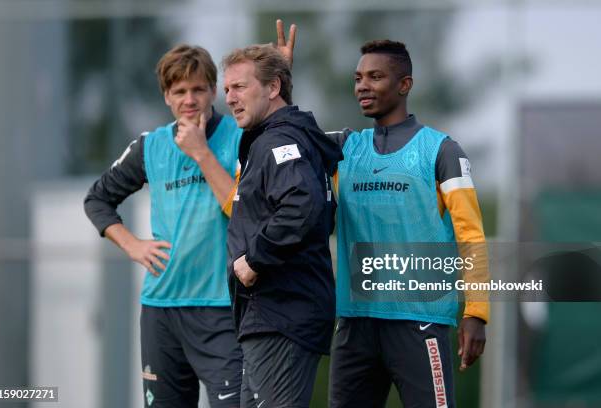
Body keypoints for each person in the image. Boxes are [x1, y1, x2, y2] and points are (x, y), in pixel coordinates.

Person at [326, 40, 490, 407]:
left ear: (405, 85)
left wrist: (476, 312)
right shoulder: (342, 149)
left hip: (421, 322)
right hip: (355, 323)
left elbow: (471, 236)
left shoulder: (442, 151)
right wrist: (280, 80)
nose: (362, 86)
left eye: (375, 76)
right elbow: (278, 145)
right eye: (358, 78)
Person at [84, 44, 244, 408]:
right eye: (180, 91)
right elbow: (97, 198)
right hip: (161, 312)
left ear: (213, 91)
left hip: (223, 310)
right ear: (167, 97)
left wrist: (202, 152)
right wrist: (132, 245)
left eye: (198, 89)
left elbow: (246, 212)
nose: (190, 99)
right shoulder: (150, 146)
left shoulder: (240, 138)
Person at [222, 44, 343, 408]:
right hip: (271, 316)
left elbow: (302, 204)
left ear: (273, 88)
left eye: (239, 87)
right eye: (226, 89)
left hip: (281, 316)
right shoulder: (279, 137)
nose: (229, 98)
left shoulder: (280, 140)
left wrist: (254, 259)